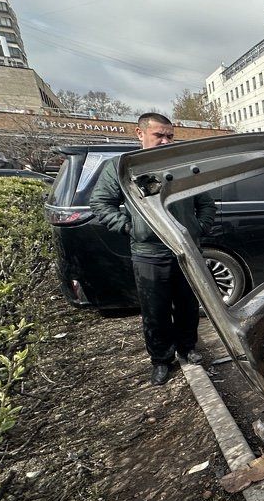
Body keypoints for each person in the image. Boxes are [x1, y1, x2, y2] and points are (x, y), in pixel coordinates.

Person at [90, 113, 215, 386]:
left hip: (185, 250)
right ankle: (161, 359)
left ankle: (188, 347)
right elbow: (100, 203)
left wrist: (199, 228)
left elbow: (206, 202)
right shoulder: (122, 168)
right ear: (140, 134)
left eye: (169, 135)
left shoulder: (183, 166)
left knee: (188, 304)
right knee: (155, 310)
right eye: (159, 135)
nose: (165, 140)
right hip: (149, 253)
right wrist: (131, 228)